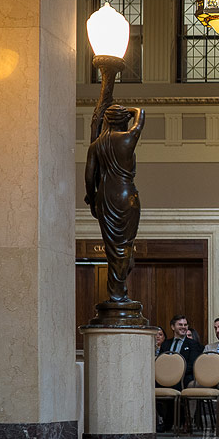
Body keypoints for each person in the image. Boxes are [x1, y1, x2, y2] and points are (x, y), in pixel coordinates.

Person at [83, 103, 145, 311]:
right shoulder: (128, 138)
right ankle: (118, 294)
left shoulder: (96, 145)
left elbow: (89, 178)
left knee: (113, 249)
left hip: (105, 197)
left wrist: (92, 200)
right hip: (127, 196)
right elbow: (141, 114)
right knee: (125, 246)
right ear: (123, 119)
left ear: (107, 121)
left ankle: (118, 293)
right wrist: (130, 110)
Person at [158, 314, 201, 432]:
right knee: (151, 387)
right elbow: (161, 363)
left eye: (185, 325)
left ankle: (177, 421)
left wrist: (175, 373)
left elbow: (192, 365)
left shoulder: (192, 344)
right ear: (173, 327)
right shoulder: (166, 344)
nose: (183, 327)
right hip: (165, 377)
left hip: (184, 377)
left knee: (177, 386)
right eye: (180, 325)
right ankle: (163, 420)